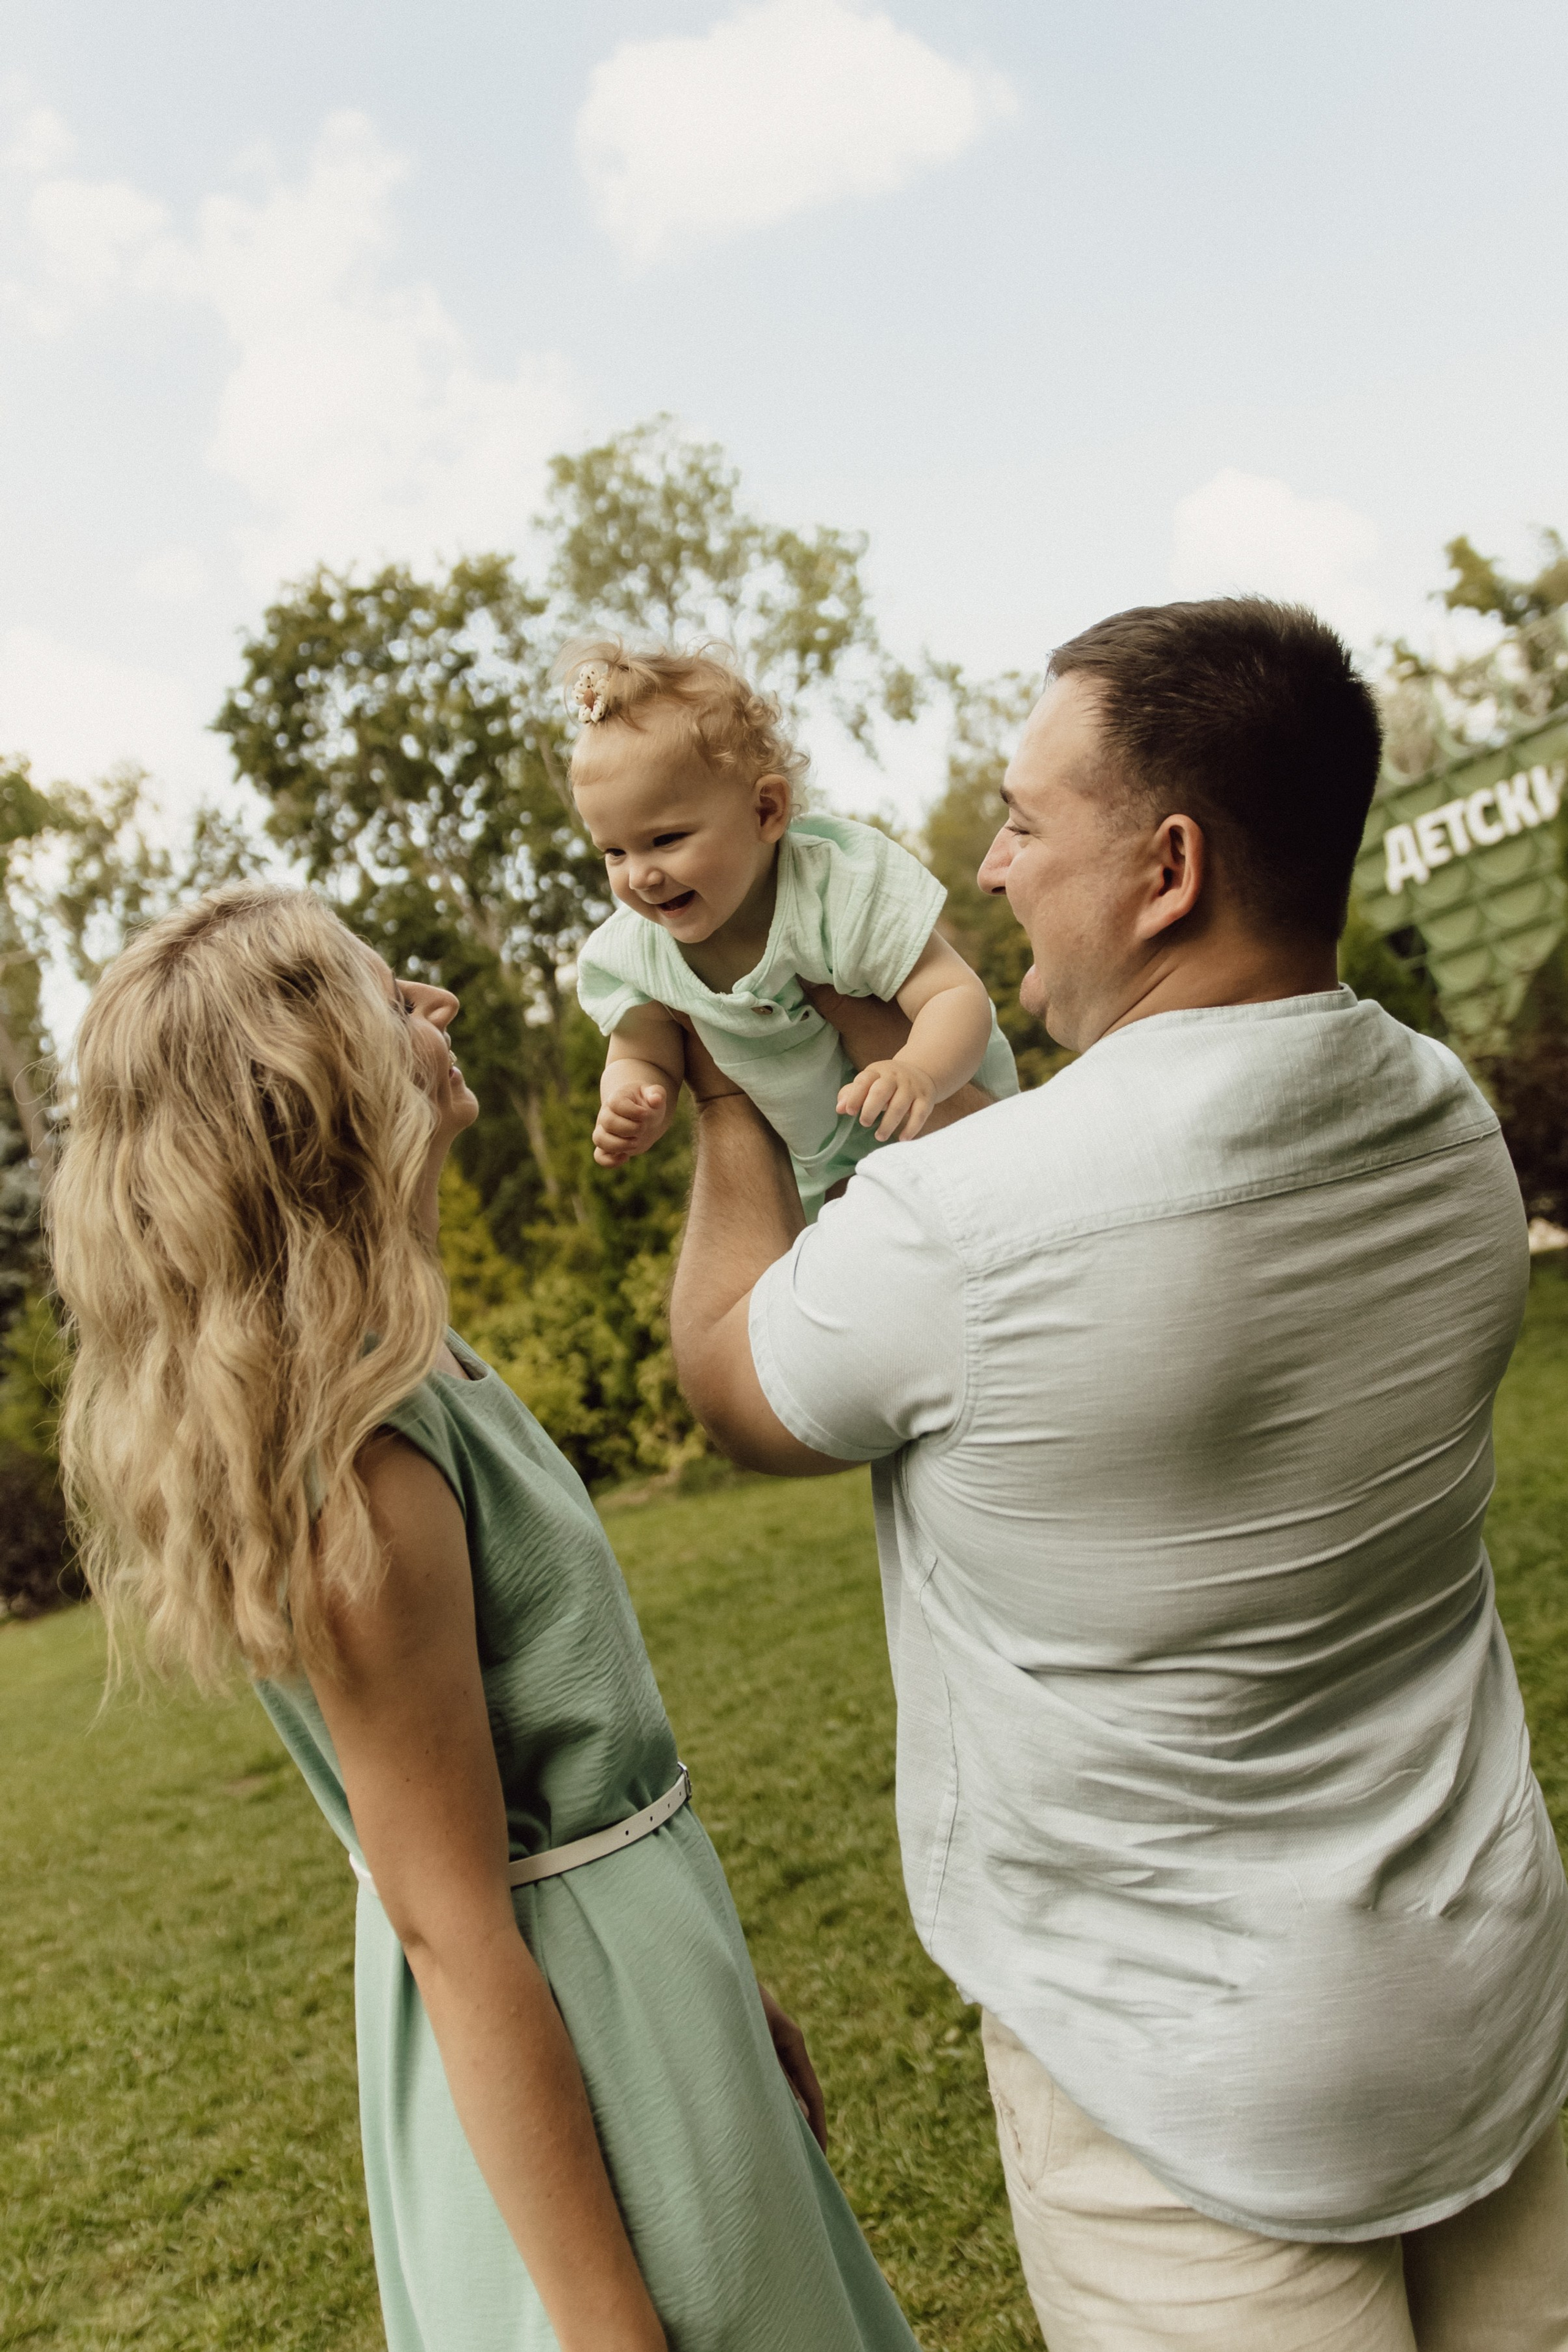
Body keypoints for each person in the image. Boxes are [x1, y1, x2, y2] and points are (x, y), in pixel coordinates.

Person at [667, 598, 1568, 2351]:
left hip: (1179, 2095)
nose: (989, 871)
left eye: (1020, 822)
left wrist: (722, 1088)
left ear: (1167, 868)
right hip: (1489, 1998)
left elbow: (733, 1380)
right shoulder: (1455, 1126)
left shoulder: (969, 1220)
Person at [50, 886, 921, 2352]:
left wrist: (713, 1976)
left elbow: (556, 1786)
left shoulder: (423, 1356)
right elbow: (452, 1922)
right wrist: (605, 2323)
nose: (436, 1007)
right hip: (570, 2049)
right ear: (318, 1091)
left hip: (638, 1990)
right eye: (392, 1000)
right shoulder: (365, 1479)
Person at [564, 638, 1017, 1216]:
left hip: (949, 1115)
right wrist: (631, 1097)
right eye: (614, 852)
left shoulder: (836, 889)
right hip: (822, 1182)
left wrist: (918, 1069)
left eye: (666, 840)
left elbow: (955, 995)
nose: (642, 876)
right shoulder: (636, 951)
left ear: (765, 812)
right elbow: (642, 1053)